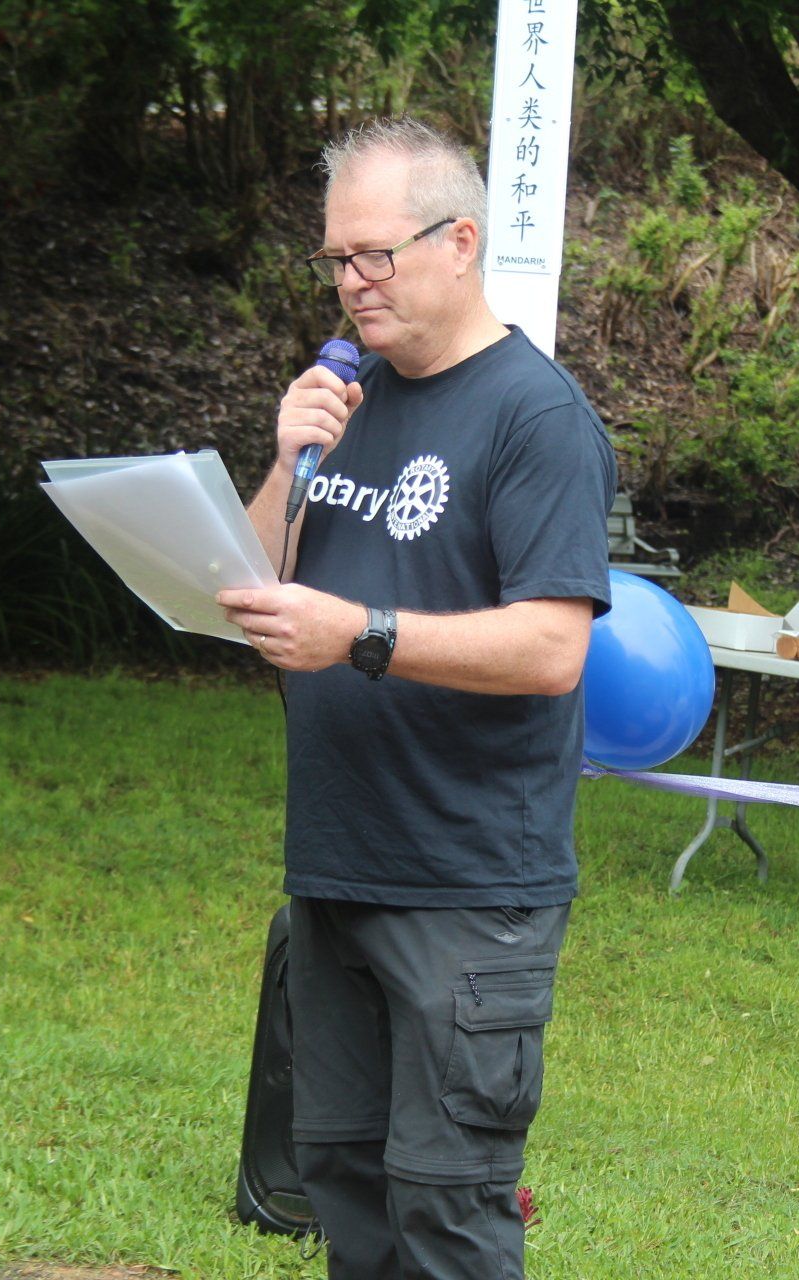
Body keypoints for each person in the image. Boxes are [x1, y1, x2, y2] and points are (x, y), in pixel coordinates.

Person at [215, 118, 616, 1279]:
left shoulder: (537, 418)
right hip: (337, 862)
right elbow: (250, 595)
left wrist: (361, 634)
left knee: (448, 1209)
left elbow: (552, 647)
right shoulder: (349, 401)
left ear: (461, 241)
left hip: (467, 886)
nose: (353, 284)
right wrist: (285, 461)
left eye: (375, 255)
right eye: (337, 260)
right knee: (342, 1184)